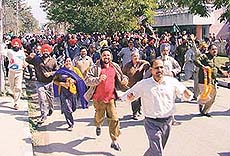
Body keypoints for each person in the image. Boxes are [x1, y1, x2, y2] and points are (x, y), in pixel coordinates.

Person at [121, 58, 193, 156]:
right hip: (151, 123)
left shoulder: (172, 82)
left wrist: (187, 94)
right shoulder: (144, 84)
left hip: (167, 122)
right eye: (156, 68)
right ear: (151, 70)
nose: (159, 70)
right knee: (157, 152)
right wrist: (129, 97)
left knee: (156, 148)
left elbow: (184, 93)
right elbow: (127, 96)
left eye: (161, 67)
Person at [84, 47, 129, 151]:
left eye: (108, 55)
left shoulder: (115, 66)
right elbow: (87, 80)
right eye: (104, 55)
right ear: (101, 56)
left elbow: (122, 76)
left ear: (111, 56)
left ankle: (114, 141)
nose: (106, 57)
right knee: (99, 117)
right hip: (98, 98)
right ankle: (98, 125)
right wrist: (98, 79)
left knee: (114, 119)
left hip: (111, 98)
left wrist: (125, 80)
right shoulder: (95, 68)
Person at [194, 44, 229, 117]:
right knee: (206, 95)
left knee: (213, 97)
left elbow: (215, 67)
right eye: (213, 49)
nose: (215, 51)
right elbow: (196, 60)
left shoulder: (214, 58)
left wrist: (222, 73)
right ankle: (201, 104)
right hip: (204, 80)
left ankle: (205, 111)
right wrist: (203, 67)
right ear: (209, 50)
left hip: (212, 81)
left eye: (215, 49)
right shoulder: (204, 56)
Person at [26, 44, 58, 124]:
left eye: (47, 50)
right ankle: (43, 115)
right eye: (44, 50)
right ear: (42, 51)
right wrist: (30, 56)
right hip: (39, 82)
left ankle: (51, 107)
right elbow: (27, 60)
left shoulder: (53, 61)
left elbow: (57, 71)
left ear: (49, 51)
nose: (45, 52)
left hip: (49, 83)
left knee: (50, 98)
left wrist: (50, 73)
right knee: (42, 98)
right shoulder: (37, 59)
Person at [53, 57, 87, 131]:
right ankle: (70, 124)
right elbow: (54, 81)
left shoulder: (76, 70)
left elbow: (81, 79)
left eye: (69, 61)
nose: (68, 62)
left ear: (72, 63)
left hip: (73, 91)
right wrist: (61, 83)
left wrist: (74, 81)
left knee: (73, 107)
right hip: (63, 91)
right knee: (67, 108)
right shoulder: (60, 71)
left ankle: (70, 113)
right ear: (64, 63)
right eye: (66, 61)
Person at [122, 51, 150, 120]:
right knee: (134, 99)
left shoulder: (140, 63)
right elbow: (123, 74)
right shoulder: (127, 65)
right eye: (134, 56)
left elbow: (148, 64)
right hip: (131, 85)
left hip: (140, 84)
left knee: (139, 98)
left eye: (137, 56)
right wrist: (124, 81)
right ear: (131, 57)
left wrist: (141, 67)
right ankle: (135, 113)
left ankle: (139, 110)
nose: (136, 58)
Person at [5, 38, 27, 109]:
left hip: (19, 72)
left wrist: (25, 64)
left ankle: (16, 103)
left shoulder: (21, 52)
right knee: (11, 87)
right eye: (14, 44)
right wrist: (4, 44)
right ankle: (13, 93)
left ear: (19, 45)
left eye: (17, 44)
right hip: (11, 71)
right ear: (12, 45)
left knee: (18, 87)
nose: (16, 45)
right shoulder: (9, 51)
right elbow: (2, 52)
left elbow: (24, 60)